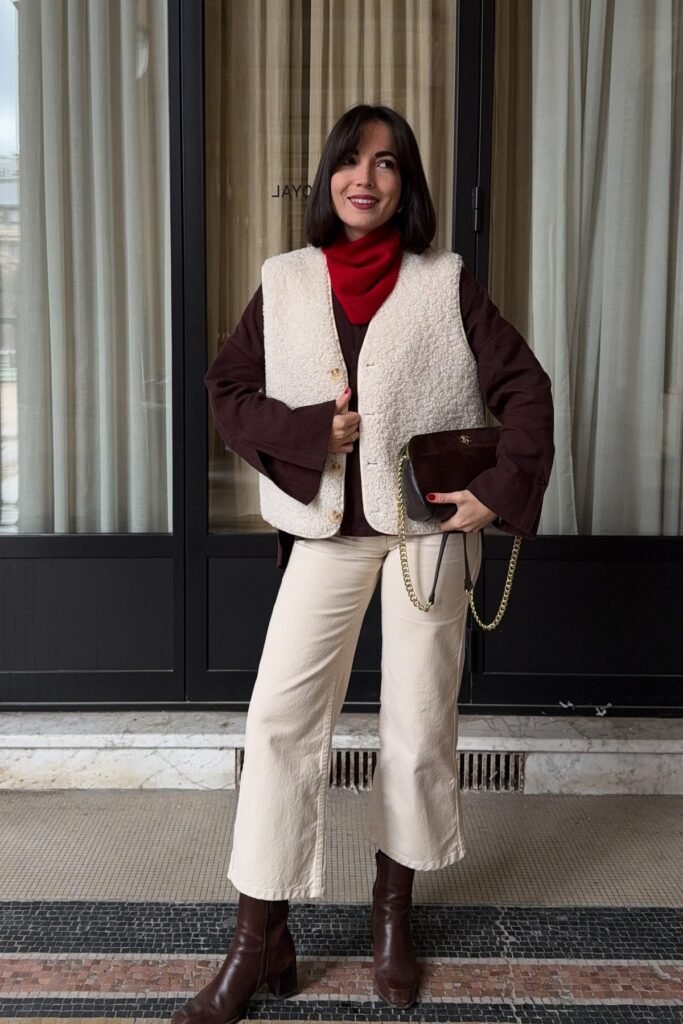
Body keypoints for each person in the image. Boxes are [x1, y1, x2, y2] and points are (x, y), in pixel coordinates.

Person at [172, 104, 554, 1024]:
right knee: (278, 721)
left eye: (386, 164)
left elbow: (525, 389)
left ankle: (393, 919)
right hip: (326, 527)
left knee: (418, 725)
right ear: (327, 177)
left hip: (427, 535)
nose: (365, 178)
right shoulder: (287, 281)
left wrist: (496, 493)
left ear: (405, 183)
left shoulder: (446, 280)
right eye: (349, 160)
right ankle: (256, 938)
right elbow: (226, 393)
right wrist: (312, 432)